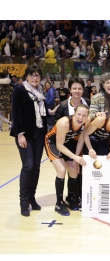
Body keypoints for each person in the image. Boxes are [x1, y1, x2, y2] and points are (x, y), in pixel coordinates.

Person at [10, 66, 47, 216]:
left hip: (39, 133)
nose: (35, 78)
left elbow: (41, 112)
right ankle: (23, 201)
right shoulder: (20, 90)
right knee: (28, 166)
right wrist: (20, 134)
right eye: (32, 75)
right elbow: (15, 113)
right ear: (26, 76)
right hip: (24, 134)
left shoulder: (40, 91)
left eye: (37, 76)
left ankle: (32, 197)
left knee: (36, 166)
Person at [44, 104, 90, 216]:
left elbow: (81, 140)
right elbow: (59, 145)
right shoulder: (64, 123)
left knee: (74, 170)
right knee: (61, 170)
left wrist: (75, 159)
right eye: (79, 114)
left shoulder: (86, 122)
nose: (81, 117)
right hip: (54, 143)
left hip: (68, 143)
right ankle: (59, 203)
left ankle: (70, 198)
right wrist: (75, 157)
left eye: (84, 115)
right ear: (74, 113)